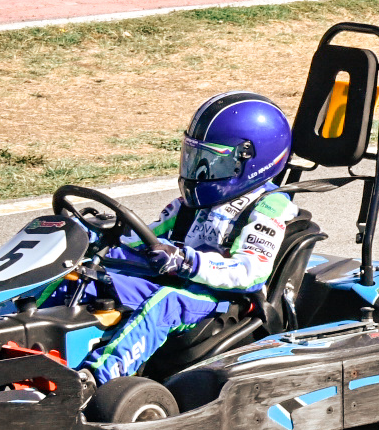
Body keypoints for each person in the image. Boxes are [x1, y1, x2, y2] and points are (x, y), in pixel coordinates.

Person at [81, 92, 304, 391]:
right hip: (177, 278)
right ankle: (22, 336)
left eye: (212, 161)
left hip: (220, 298)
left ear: (250, 161)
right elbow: (142, 238)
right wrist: (98, 237)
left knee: (165, 303)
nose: (199, 170)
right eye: (196, 157)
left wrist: (188, 262)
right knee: (87, 274)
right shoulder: (189, 204)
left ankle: (93, 382)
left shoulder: (268, 208)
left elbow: (251, 273)